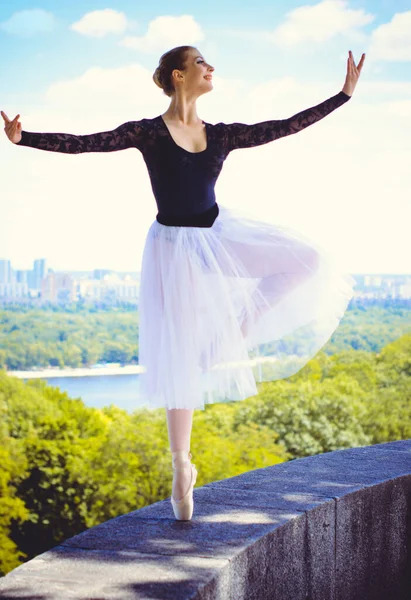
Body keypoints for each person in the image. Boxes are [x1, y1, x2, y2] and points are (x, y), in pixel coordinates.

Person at [1, 46, 366, 521]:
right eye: (201, 63)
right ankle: (181, 465)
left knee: (308, 260)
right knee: (179, 359)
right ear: (178, 75)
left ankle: (228, 335)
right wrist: (23, 137)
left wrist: (342, 96)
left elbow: (284, 126)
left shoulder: (221, 135)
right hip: (174, 250)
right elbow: (87, 141)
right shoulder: (149, 133)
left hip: (219, 235)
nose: (211, 68)